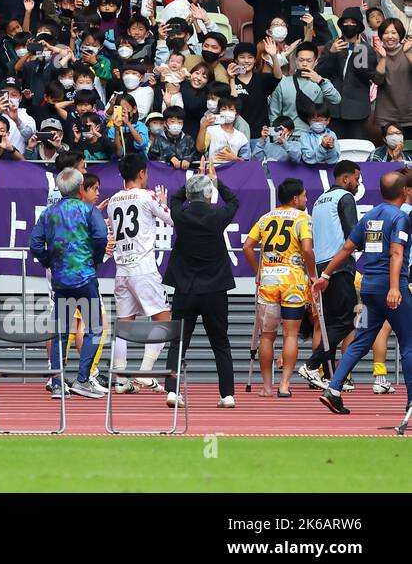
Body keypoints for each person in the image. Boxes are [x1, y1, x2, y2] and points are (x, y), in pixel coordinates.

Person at [317, 170, 412, 416]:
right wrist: (393, 287)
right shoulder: (400, 217)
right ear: (404, 192)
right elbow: (396, 253)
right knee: (409, 343)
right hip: (391, 289)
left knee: (361, 340)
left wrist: (325, 275)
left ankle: (333, 389)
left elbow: (348, 246)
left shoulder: (369, 216)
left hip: (368, 289)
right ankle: (411, 401)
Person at [30, 167, 111, 399]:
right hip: (85, 278)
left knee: (60, 332)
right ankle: (83, 379)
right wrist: (94, 259)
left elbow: (35, 244)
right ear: (79, 187)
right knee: (94, 329)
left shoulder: (48, 213)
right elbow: (101, 237)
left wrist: (49, 261)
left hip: (61, 280)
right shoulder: (88, 210)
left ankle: (57, 383)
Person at [164, 161, 239, 407]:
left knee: (178, 341)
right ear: (209, 196)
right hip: (215, 289)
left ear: (188, 195)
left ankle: (173, 391)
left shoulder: (181, 215)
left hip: (185, 289)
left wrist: (190, 182)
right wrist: (216, 181)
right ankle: (227, 394)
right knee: (220, 342)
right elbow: (234, 202)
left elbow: (173, 200)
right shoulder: (218, 215)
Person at [101, 153, 172, 394]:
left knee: (124, 326)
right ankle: (145, 370)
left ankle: (120, 379)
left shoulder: (112, 201)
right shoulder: (147, 195)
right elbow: (172, 220)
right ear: (142, 173)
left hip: (122, 271)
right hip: (143, 269)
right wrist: (163, 203)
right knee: (164, 321)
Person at [242, 177, 315, 399]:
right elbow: (307, 250)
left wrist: (258, 271)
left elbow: (247, 246)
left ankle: (266, 387)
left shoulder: (266, 218)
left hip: (269, 281)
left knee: (267, 336)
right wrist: (312, 275)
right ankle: (284, 385)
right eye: (304, 195)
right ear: (295, 198)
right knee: (290, 334)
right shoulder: (303, 218)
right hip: (293, 281)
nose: (306, 198)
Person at [300, 160, 361, 391]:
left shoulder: (318, 201)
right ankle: (312, 365)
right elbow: (353, 234)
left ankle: (329, 376)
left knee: (332, 322)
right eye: (356, 179)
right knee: (347, 322)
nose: (358, 183)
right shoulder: (345, 198)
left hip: (321, 266)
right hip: (340, 265)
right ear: (345, 179)